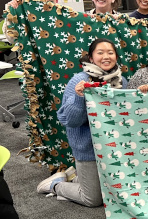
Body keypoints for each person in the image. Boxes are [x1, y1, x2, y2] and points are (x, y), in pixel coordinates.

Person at [36, 39, 127, 207]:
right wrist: (79, 97)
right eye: (100, 53)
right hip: (89, 150)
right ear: (91, 58)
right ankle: (55, 185)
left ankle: (75, 177)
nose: (105, 56)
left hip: (115, 149)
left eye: (110, 52)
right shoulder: (79, 81)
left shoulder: (121, 82)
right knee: (92, 200)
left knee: (118, 192)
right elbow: (70, 121)